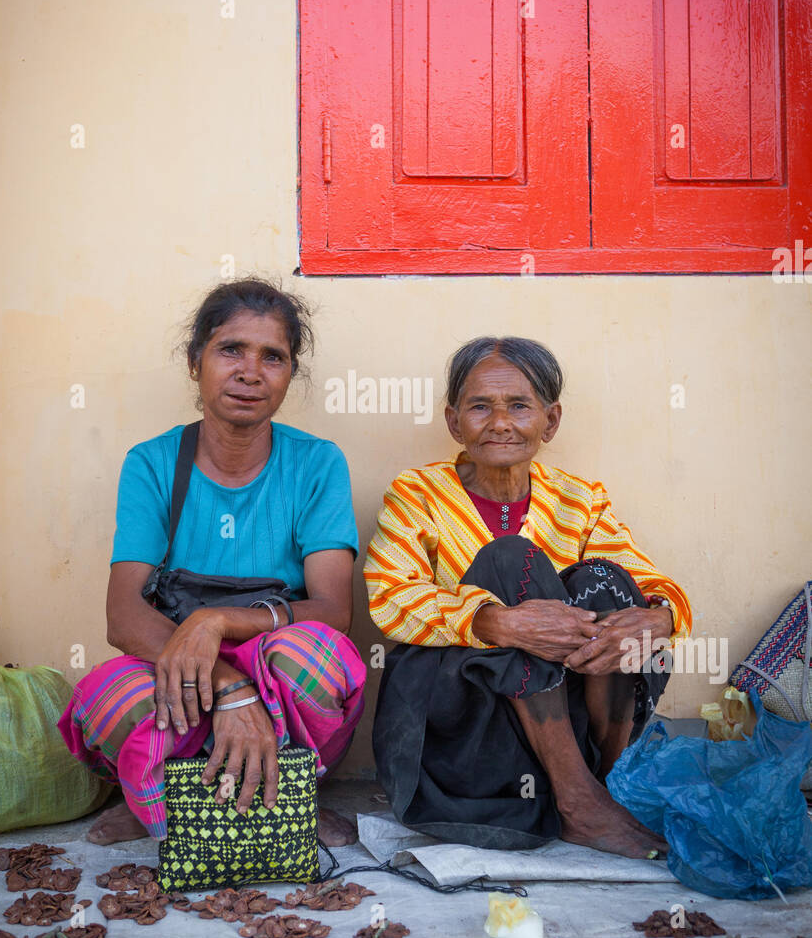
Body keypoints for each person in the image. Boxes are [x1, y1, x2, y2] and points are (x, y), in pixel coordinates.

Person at [59, 278, 366, 847]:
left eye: (272, 357)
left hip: (271, 656)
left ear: (289, 374)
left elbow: (332, 610)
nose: (250, 372)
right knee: (108, 698)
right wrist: (226, 683)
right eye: (231, 350)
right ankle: (155, 790)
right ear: (195, 359)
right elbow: (123, 617)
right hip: (182, 668)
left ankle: (293, 792)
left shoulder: (317, 463)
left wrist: (217, 621)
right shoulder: (152, 464)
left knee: (315, 660)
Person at [364, 337, 692, 859]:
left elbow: (644, 581)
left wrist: (661, 618)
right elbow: (390, 596)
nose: (500, 423)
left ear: (551, 420)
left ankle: (606, 785)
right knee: (508, 559)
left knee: (606, 580)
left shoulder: (579, 499)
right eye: (479, 407)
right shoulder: (416, 493)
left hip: (562, 726)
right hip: (465, 731)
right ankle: (578, 801)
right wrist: (496, 623)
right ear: (454, 422)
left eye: (519, 406)